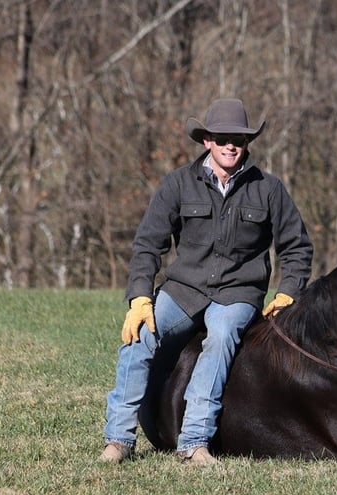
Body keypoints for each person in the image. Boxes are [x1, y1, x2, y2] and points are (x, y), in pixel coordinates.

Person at [100, 98, 313, 465]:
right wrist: (139, 297)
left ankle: (194, 442)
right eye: (223, 137)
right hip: (184, 290)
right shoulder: (178, 184)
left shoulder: (269, 188)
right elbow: (148, 243)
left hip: (238, 293)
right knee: (139, 336)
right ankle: (118, 439)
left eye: (240, 139)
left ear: (247, 145)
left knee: (221, 339)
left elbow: (296, 247)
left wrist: (287, 292)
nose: (231, 145)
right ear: (207, 141)